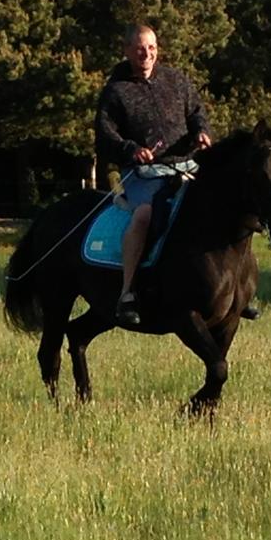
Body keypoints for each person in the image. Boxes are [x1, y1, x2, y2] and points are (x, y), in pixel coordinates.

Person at [95, 23, 212, 326]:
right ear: (127, 51)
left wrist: (201, 132)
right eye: (139, 48)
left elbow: (197, 112)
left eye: (151, 48)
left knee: (222, 202)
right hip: (143, 174)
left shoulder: (177, 80)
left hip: (187, 167)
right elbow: (105, 135)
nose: (146, 54)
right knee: (145, 215)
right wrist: (130, 149)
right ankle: (127, 292)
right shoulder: (115, 91)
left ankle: (233, 290)